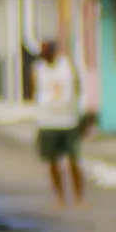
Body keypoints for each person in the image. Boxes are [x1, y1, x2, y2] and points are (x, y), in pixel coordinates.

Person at [34, 37, 85, 203]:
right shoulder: (39, 69)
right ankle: (60, 196)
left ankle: (79, 196)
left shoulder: (66, 67)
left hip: (68, 120)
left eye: (48, 52)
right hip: (48, 121)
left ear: (54, 52)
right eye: (43, 53)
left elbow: (76, 87)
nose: (45, 56)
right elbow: (36, 89)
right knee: (52, 162)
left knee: (73, 160)